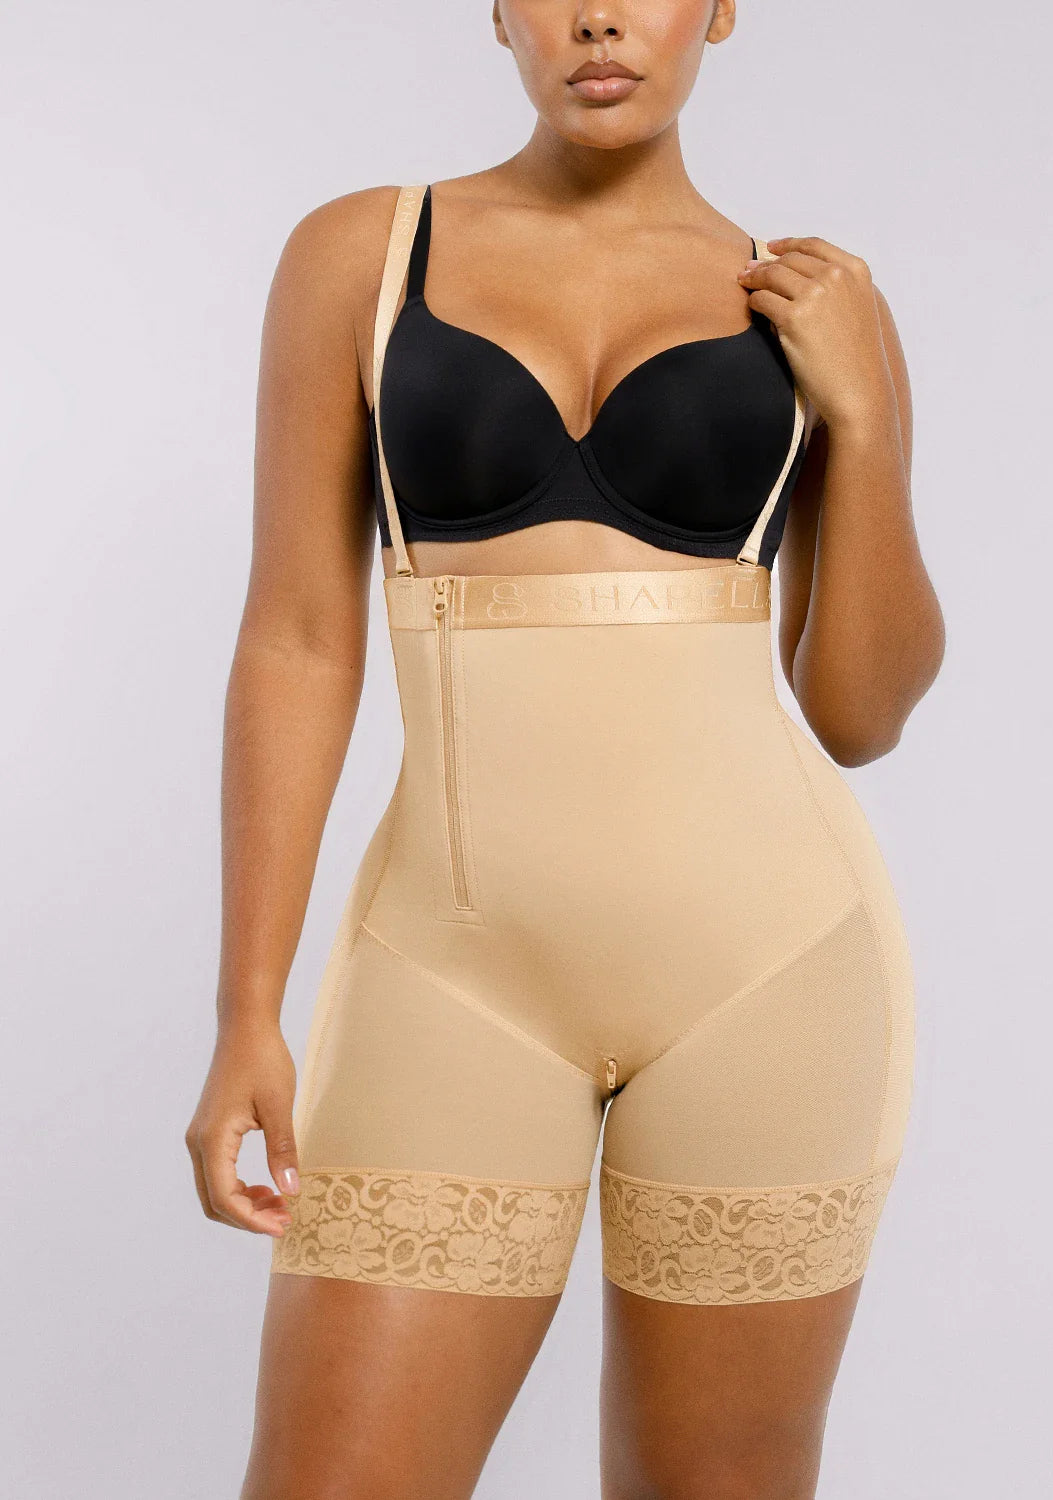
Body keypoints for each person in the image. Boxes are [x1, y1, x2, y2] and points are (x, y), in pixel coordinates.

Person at [185, 3, 944, 1495]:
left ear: (721, 7)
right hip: (449, 976)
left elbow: (862, 711)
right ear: (497, 11)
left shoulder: (812, 298)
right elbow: (298, 641)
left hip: (772, 974)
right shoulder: (363, 256)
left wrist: (864, 421)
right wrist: (246, 1011)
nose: (599, 15)